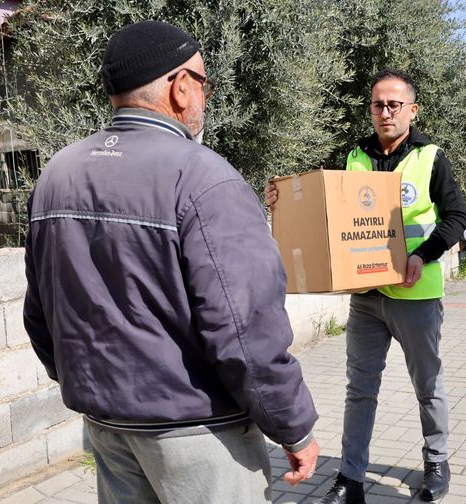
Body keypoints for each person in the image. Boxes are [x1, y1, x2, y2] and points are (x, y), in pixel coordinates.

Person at [23, 20, 320, 504]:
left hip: (108, 429)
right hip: (198, 434)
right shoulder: (204, 179)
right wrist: (294, 426)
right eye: (203, 83)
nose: (205, 97)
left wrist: (91, 386)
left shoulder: (57, 174)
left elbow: (41, 313)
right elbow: (245, 329)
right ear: (181, 86)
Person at [266, 69, 466, 503]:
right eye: (378, 104)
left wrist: (423, 254)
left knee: (427, 384)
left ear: (413, 110)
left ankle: (437, 461)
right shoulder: (355, 156)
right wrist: (283, 199)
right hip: (366, 298)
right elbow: (325, 205)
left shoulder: (431, 157)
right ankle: (351, 478)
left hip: (416, 294)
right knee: (360, 389)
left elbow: (457, 218)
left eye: (395, 104)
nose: (386, 112)